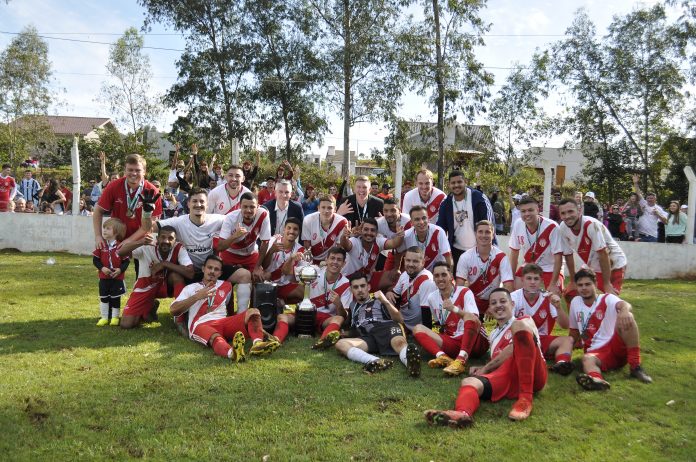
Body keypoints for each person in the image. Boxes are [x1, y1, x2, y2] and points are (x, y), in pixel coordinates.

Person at [424, 288, 547, 427]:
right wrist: (483, 368)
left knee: (518, 326)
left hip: (534, 374)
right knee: (469, 382)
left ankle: (525, 399)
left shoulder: (524, 320)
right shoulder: (493, 334)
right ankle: (462, 414)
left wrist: (486, 368)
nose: (498, 305)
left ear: (512, 304)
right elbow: (498, 361)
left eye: (503, 301)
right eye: (493, 303)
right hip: (509, 376)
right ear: (490, 308)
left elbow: (512, 349)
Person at [141, 188, 254, 313]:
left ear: (207, 204)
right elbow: (148, 228)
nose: (198, 204)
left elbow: (241, 216)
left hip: (211, 271)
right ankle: (180, 317)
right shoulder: (178, 222)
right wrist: (146, 212)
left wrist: (258, 211)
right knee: (174, 276)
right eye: (194, 201)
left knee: (244, 275)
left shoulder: (218, 219)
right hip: (189, 272)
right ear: (188, 203)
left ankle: (241, 315)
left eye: (202, 201)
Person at [170, 255, 280, 361]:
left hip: (223, 322)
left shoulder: (226, 286)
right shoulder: (190, 288)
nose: (212, 271)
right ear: (203, 269)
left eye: (216, 269)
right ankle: (232, 353)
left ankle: (258, 344)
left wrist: (241, 322)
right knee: (215, 336)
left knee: (253, 312)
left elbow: (229, 307)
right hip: (201, 324)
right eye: (209, 267)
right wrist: (196, 297)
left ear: (220, 273)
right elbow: (174, 310)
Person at [569, 268, 652, 390]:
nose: (584, 288)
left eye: (588, 284)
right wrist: (566, 352)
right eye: (580, 285)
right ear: (577, 287)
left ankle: (635, 367)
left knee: (628, 318)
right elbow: (574, 331)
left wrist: (624, 311)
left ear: (595, 284)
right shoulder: (575, 302)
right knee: (587, 358)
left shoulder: (607, 298)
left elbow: (624, 304)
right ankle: (597, 381)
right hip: (596, 353)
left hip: (616, 347)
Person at [335, 273, 421, 376]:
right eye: (356, 287)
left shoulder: (379, 300)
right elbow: (350, 326)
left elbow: (399, 319)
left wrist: (385, 301)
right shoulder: (352, 306)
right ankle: (376, 361)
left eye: (362, 286)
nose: (360, 290)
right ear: (351, 290)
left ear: (368, 287)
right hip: (367, 337)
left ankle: (411, 365)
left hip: (386, 328)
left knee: (399, 343)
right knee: (341, 344)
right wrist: (343, 332)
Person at [414, 262, 489, 377]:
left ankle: (461, 361)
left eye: (444, 275)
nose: (440, 278)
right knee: (417, 328)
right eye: (437, 275)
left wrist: (454, 309)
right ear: (433, 278)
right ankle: (443, 357)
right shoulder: (432, 298)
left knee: (470, 317)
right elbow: (440, 322)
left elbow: (474, 319)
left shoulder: (464, 292)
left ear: (451, 277)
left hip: (475, 341)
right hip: (453, 341)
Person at [273, 247, 353, 348]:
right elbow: (286, 271)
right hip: (305, 313)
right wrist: (291, 259)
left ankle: (322, 342)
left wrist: (338, 305)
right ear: (326, 260)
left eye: (339, 260)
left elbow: (344, 316)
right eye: (332, 258)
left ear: (344, 263)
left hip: (325, 319)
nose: (335, 262)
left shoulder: (346, 284)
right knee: (282, 317)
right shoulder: (314, 271)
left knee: (338, 319)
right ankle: (275, 341)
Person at [117, 227, 194, 329]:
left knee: (176, 276)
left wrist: (164, 264)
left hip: (167, 285)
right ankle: (150, 305)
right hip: (146, 284)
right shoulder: (147, 246)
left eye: (170, 238)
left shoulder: (179, 248)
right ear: (157, 238)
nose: (166, 241)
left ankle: (180, 319)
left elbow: (190, 273)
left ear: (175, 240)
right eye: (163, 237)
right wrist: (140, 242)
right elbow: (120, 252)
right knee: (127, 324)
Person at [511, 264, 574, 375]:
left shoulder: (548, 297)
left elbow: (565, 326)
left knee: (568, 340)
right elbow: (507, 326)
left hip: (541, 340)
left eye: (536, 279)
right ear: (522, 280)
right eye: (529, 278)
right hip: (520, 341)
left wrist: (558, 307)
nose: (532, 282)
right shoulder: (513, 297)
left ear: (541, 280)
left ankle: (562, 364)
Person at [557, 198, 627, 298]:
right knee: (571, 294)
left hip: (614, 264)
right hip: (593, 266)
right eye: (563, 213)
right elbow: (568, 254)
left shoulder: (590, 224)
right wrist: (572, 281)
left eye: (570, 211)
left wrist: (607, 283)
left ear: (579, 210)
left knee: (610, 299)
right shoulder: (563, 227)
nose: (567, 216)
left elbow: (603, 253)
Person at [93, 154, 163, 247]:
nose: (134, 173)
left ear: (144, 171)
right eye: (130, 170)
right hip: (117, 238)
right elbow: (98, 211)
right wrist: (98, 236)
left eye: (137, 170)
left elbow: (151, 223)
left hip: (141, 241)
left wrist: (130, 240)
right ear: (125, 171)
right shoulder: (113, 186)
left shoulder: (152, 191)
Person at [456, 220, 514, 317]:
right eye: (480, 232)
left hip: (494, 302)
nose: (484, 235)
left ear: (493, 234)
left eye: (487, 232)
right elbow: (459, 287)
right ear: (475, 234)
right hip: (472, 302)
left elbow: (508, 286)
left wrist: (495, 305)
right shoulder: (465, 257)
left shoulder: (501, 257)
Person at [437, 171, 496, 266]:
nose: (456, 185)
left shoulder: (479, 198)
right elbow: (440, 230)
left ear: (466, 182)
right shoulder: (446, 203)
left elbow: (489, 226)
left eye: (459, 182)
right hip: (457, 252)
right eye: (453, 183)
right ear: (449, 184)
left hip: (480, 250)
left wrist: (490, 250)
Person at [508, 196, 563, 294]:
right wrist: (511, 278)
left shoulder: (552, 226)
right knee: (513, 290)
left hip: (550, 266)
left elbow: (558, 258)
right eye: (523, 211)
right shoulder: (518, 224)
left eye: (530, 210)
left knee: (553, 296)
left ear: (537, 210)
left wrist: (553, 283)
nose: (527, 214)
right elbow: (514, 253)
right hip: (529, 265)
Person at [339, 217, 403, 292]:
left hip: (367, 279)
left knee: (395, 277)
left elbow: (394, 243)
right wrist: (344, 236)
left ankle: (387, 295)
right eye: (366, 229)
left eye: (372, 230)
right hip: (348, 281)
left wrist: (400, 235)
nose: (369, 233)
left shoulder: (378, 242)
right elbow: (345, 244)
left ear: (376, 233)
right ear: (361, 230)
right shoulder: (354, 241)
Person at [217, 192, 271, 280]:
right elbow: (220, 247)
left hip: (250, 254)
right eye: (245, 207)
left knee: (263, 276)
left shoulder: (263, 214)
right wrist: (235, 236)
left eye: (252, 207)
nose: (248, 210)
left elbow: (265, 242)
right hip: (230, 254)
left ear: (258, 206)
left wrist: (257, 267)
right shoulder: (230, 218)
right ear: (240, 206)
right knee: (226, 278)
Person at [385, 246, 437, 331]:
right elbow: (395, 296)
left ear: (423, 262)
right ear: (404, 260)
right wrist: (389, 293)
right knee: (386, 299)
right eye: (408, 260)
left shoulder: (426, 280)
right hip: (401, 322)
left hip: (417, 329)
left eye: (415, 261)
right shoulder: (404, 274)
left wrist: (426, 335)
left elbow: (426, 312)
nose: (411, 264)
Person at [260, 217, 306, 306]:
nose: (291, 231)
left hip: (284, 285)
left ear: (299, 232)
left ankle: (282, 302)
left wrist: (291, 259)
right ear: (284, 229)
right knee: (258, 278)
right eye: (289, 228)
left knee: (305, 292)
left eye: (295, 229)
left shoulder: (301, 250)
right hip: (267, 282)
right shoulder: (273, 240)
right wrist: (271, 251)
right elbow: (264, 266)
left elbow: (287, 272)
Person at [92, 218, 130, 326]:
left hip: (117, 279)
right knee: (104, 298)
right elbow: (95, 260)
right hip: (104, 278)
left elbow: (126, 261)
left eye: (108, 228)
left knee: (115, 298)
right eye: (104, 228)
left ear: (116, 232)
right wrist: (102, 268)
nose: (104, 230)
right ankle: (104, 317)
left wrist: (120, 270)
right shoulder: (101, 245)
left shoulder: (121, 246)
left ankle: (115, 318)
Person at [397, 205, 452, 271]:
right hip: (416, 272)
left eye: (424, 218)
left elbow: (448, 256)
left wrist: (449, 273)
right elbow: (398, 253)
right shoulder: (406, 235)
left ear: (428, 219)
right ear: (411, 222)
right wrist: (396, 269)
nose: (421, 222)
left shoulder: (438, 232)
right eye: (417, 219)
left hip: (437, 272)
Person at [302, 194, 349, 264]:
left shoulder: (342, 222)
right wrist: (309, 265)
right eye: (323, 207)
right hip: (313, 258)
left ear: (335, 209)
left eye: (329, 208)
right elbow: (307, 247)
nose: (326, 211)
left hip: (331, 260)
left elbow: (339, 248)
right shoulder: (308, 219)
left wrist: (328, 263)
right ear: (318, 208)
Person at [376, 198, 411, 271]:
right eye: (386, 211)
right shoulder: (379, 223)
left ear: (399, 211)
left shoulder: (409, 221)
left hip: (410, 255)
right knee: (388, 275)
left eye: (393, 210)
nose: (389, 214)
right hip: (390, 254)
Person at [632, 174, 666, 242]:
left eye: (651, 198)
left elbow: (665, 221)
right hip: (641, 235)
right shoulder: (643, 203)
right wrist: (635, 183)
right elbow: (638, 193)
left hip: (652, 236)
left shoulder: (658, 208)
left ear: (655, 199)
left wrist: (658, 214)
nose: (649, 199)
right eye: (648, 198)